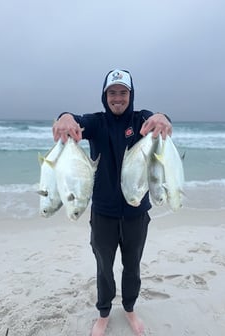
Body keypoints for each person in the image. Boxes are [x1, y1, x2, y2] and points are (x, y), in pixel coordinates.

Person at [52, 69, 172, 336]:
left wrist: (163, 117)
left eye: (123, 93)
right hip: (103, 213)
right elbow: (72, 119)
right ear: (104, 96)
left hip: (136, 213)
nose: (117, 98)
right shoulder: (96, 123)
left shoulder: (141, 120)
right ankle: (104, 313)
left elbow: (158, 119)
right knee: (104, 266)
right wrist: (65, 117)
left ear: (131, 95)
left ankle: (129, 308)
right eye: (112, 93)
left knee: (133, 264)